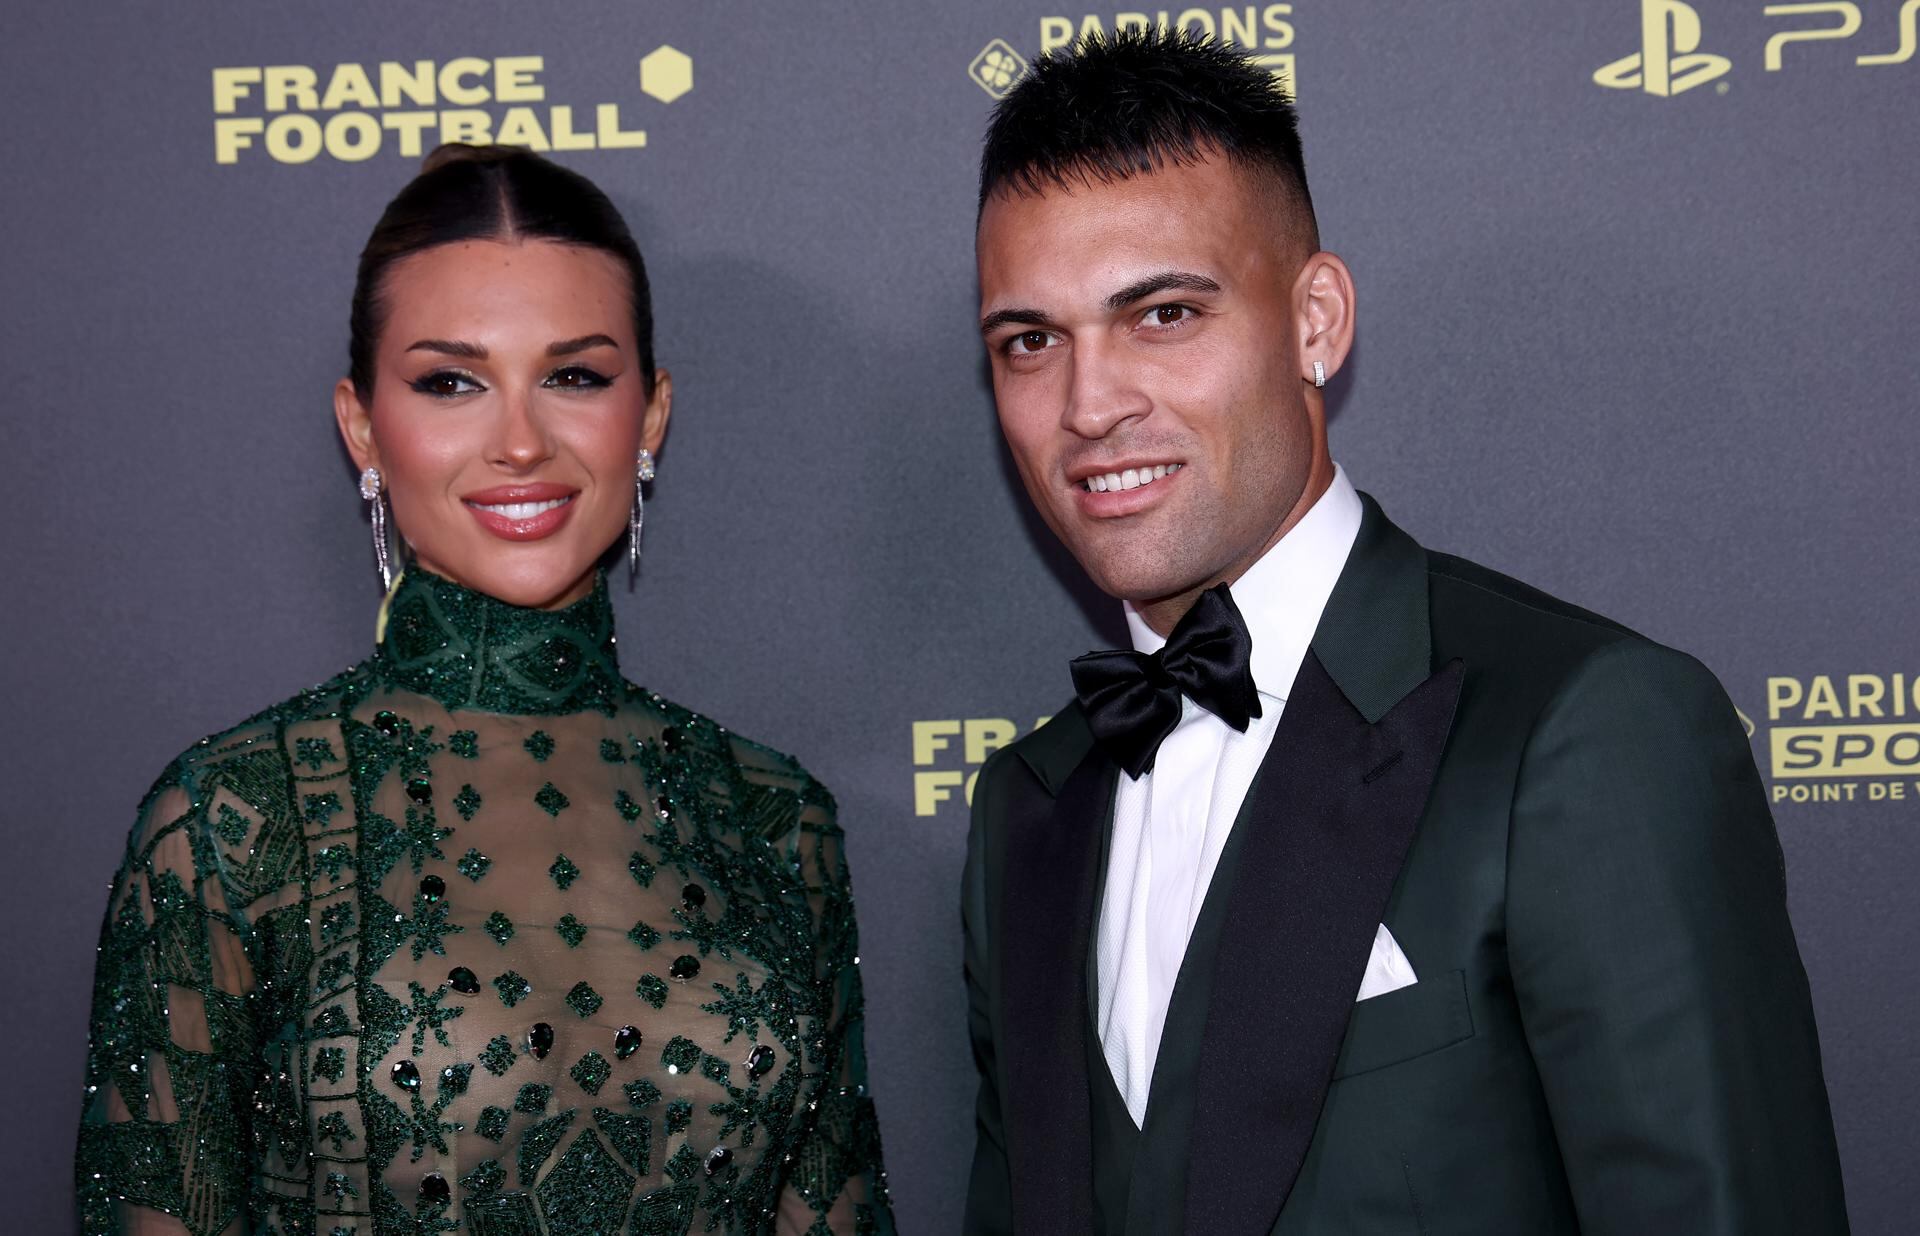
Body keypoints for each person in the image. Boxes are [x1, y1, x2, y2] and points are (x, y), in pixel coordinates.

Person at [961, 30, 1847, 1236]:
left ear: (1315, 320)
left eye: (1163, 314)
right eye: (1030, 341)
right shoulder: (1030, 805)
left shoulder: (1582, 732)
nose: (1089, 404)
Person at [75, 144, 892, 1236]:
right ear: (362, 423)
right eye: (450, 381)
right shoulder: (231, 820)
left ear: (649, 414)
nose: (519, 440)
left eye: (575, 376)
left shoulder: (773, 820)